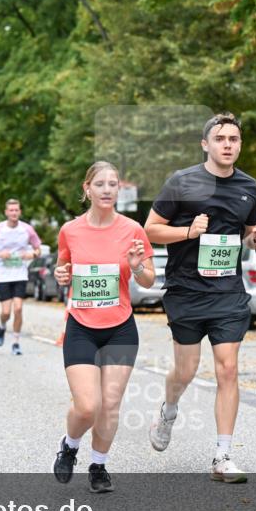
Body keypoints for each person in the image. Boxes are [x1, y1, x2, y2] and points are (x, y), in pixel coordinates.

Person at [143, 112, 256, 483]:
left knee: (227, 368)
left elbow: (250, 231)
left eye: (233, 139)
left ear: (240, 144)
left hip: (228, 291)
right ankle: (169, 409)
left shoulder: (249, 185)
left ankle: (222, 455)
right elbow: (150, 230)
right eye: (220, 139)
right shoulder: (182, 182)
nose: (227, 145)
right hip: (186, 289)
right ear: (206, 144)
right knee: (185, 370)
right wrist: (188, 232)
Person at [51, 162, 155, 493]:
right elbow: (62, 268)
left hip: (120, 327)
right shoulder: (70, 230)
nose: (108, 189)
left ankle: (98, 466)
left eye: (113, 184)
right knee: (87, 405)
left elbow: (149, 279)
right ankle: (70, 445)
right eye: (100, 184)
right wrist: (60, 276)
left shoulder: (133, 229)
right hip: (81, 326)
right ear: (87, 189)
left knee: (109, 404)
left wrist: (137, 269)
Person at [0, 199, 41, 355]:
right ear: (6, 212)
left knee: (18, 308)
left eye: (16, 210)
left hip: (20, 273)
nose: (14, 213)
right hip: (3, 274)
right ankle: (2, 327)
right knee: (6, 312)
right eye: (11, 210)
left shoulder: (28, 229)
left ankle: (16, 342)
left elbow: (38, 249)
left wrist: (32, 254)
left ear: (20, 212)